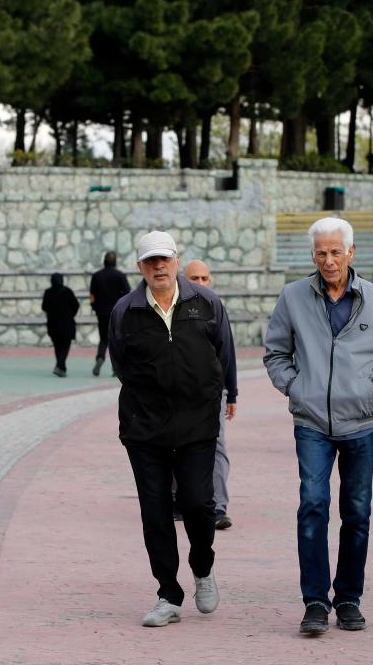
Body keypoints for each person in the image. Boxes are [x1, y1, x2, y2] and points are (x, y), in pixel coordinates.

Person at [264, 216, 373, 636]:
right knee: (312, 505)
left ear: (350, 252)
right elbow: (276, 353)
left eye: (335, 252)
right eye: (320, 253)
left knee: (357, 512)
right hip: (311, 422)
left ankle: (348, 598)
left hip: (361, 424)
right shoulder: (293, 297)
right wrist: (296, 388)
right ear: (313, 255)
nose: (328, 260)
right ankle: (315, 601)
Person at [108, 231, 237, 628]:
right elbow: (120, 363)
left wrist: (225, 393)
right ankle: (168, 594)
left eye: (164, 258)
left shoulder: (206, 303)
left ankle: (202, 567)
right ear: (140, 267)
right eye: (151, 261)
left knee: (198, 504)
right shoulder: (125, 310)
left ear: (177, 261)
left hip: (197, 423)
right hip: (144, 428)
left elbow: (224, 353)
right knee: (156, 512)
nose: (159, 266)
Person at [183, 259, 238, 530]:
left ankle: (218, 506)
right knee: (176, 443)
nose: (201, 283)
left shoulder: (216, 307)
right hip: (178, 391)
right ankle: (179, 499)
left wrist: (232, 393)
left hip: (213, 390)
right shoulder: (173, 308)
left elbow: (227, 351)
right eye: (195, 278)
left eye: (205, 278)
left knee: (216, 445)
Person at [89, 251, 131, 377]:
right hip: (116, 312)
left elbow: (92, 294)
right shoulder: (120, 275)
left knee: (103, 338)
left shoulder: (96, 276)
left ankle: (100, 357)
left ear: (104, 262)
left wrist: (94, 307)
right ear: (115, 262)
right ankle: (115, 367)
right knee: (116, 339)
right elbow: (127, 292)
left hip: (101, 312)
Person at [41, 273, 80, 377]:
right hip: (67, 323)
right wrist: (71, 314)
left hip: (53, 324)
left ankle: (61, 368)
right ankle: (59, 366)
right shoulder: (67, 291)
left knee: (57, 346)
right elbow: (76, 305)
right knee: (66, 345)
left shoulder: (48, 292)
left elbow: (44, 307)